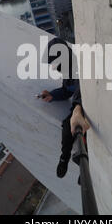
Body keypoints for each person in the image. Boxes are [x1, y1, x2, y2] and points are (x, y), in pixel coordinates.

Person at [39, 37, 90, 179]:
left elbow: (84, 85)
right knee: (68, 127)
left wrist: (77, 107)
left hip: (91, 106)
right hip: (80, 107)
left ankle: (86, 163)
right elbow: (67, 90)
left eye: (55, 63)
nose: (55, 68)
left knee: (82, 131)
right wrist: (52, 95)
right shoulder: (68, 72)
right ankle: (65, 157)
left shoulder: (80, 64)